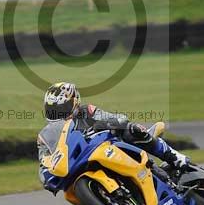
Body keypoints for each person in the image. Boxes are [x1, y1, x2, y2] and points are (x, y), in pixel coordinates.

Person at [37, 82, 190, 192]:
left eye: (62, 108)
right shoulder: (46, 135)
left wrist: (105, 124)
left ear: (75, 103)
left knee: (132, 129)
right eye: (52, 109)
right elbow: (44, 161)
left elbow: (119, 119)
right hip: (82, 162)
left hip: (112, 147)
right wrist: (47, 178)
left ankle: (174, 157)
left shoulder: (87, 112)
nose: (58, 113)